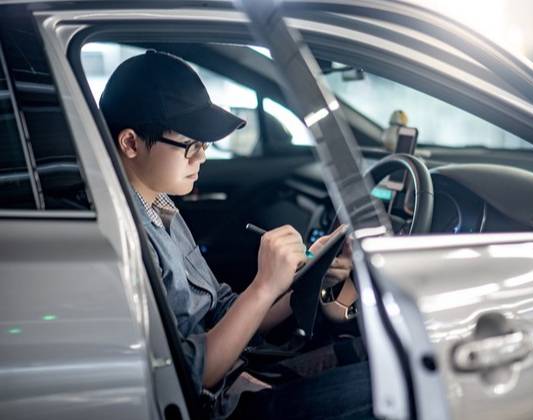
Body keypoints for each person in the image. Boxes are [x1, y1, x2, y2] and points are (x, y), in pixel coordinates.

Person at [99, 49, 373, 419]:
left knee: (374, 363)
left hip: (240, 376)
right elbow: (190, 374)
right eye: (191, 146)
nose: (203, 158)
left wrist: (309, 274)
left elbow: (223, 312)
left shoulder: (160, 205)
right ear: (131, 143)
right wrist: (263, 286)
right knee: (395, 387)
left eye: (206, 145)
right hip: (216, 405)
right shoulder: (123, 237)